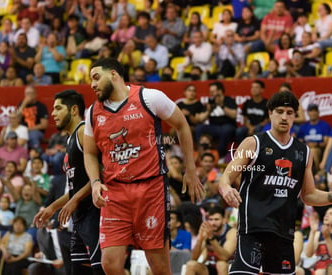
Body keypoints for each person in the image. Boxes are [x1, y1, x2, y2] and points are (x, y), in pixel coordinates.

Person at [218, 91, 332, 274]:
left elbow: (308, 195)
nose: (284, 117)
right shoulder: (253, 143)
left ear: (295, 116)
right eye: (279, 111)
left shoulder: (303, 152)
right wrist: (226, 188)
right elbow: (227, 176)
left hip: (283, 233)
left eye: (289, 112)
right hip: (254, 229)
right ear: (270, 113)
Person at [84, 58, 204, 275]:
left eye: (96, 77)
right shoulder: (92, 112)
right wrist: (94, 183)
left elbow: (182, 125)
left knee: (159, 267)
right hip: (114, 192)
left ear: (113, 75)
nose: (92, 85)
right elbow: (90, 152)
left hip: (151, 190)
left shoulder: (149, 97)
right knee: (109, 264)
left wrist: (191, 170)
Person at [34, 90, 104, 274]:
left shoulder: (83, 132)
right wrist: (52, 208)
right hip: (80, 217)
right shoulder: (70, 139)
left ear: (74, 110)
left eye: (58, 108)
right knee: (77, 271)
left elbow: (99, 176)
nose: (53, 114)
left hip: (95, 213)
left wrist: (75, 200)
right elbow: (75, 187)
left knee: (101, 269)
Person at [185, 206, 237, 275]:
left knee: (221, 264)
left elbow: (224, 257)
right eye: (210, 219)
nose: (213, 223)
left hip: (229, 268)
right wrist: (200, 239)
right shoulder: (207, 231)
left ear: (224, 219)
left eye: (216, 219)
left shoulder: (231, 232)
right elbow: (194, 258)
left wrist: (211, 238)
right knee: (190, 264)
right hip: (211, 267)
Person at [195, 82, 237, 161]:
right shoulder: (211, 102)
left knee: (226, 130)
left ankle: (220, 155)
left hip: (227, 125)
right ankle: (200, 152)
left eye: (213, 91)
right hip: (214, 127)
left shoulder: (228, 100)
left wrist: (221, 105)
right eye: (210, 92)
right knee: (199, 128)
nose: (211, 93)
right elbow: (201, 119)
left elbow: (234, 115)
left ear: (220, 91)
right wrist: (209, 110)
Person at [305, 208, 332, 275]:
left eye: (331, 214)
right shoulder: (318, 234)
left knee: (319, 273)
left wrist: (327, 239)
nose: (326, 216)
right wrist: (312, 232)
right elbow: (308, 254)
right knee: (297, 270)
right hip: (317, 268)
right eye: (326, 214)